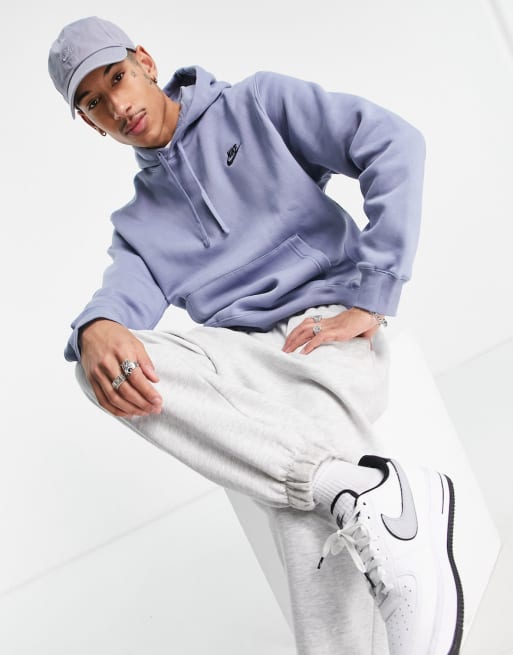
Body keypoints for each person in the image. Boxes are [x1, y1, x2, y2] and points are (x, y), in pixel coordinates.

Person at [48, 16, 463, 655]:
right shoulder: (138, 225)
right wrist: (97, 327)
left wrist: (373, 294)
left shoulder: (256, 104)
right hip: (244, 356)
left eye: (118, 78)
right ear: (89, 123)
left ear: (145, 61)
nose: (117, 105)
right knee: (97, 359)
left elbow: (393, 142)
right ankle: (358, 491)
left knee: (299, 508)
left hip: (319, 330)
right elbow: (118, 302)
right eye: (94, 102)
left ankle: (352, 496)